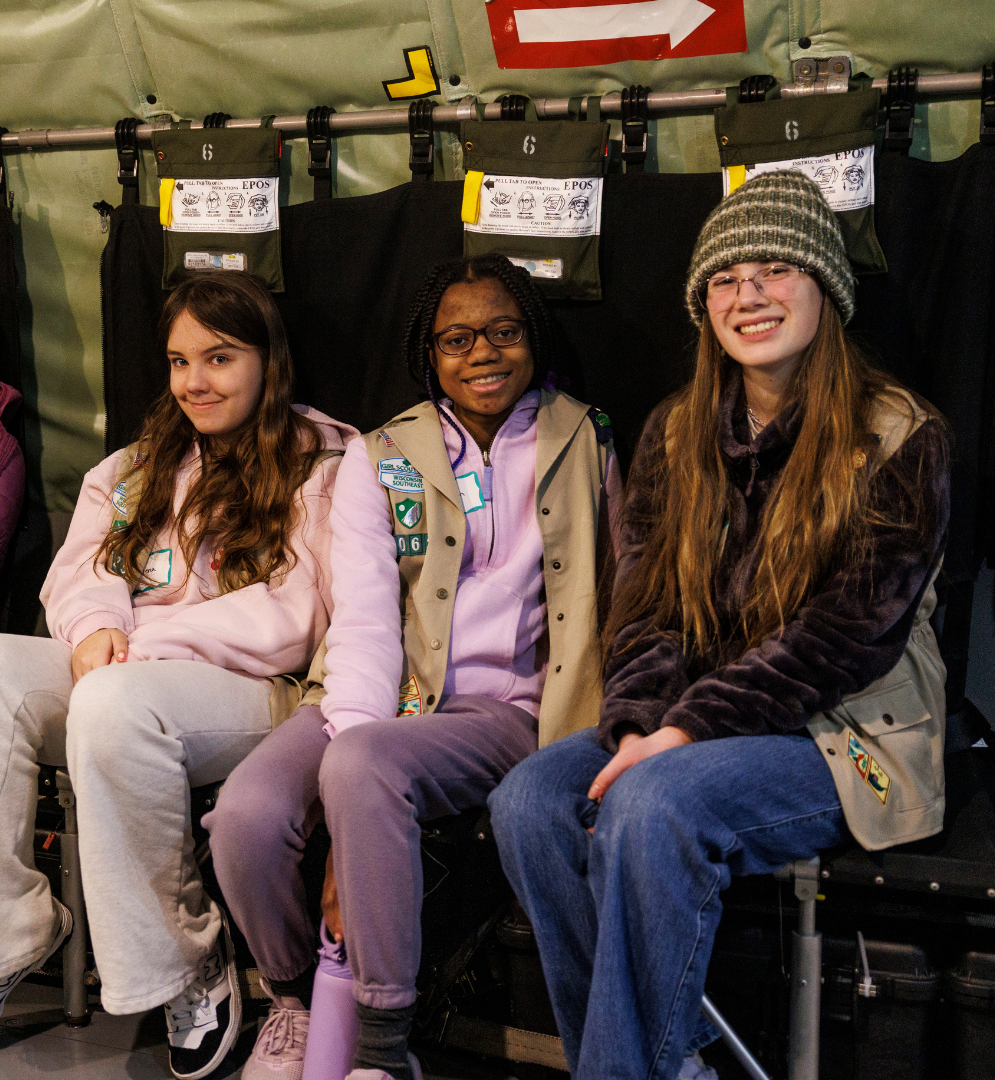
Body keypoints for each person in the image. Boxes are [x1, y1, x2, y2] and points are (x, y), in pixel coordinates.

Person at [489, 171, 950, 1080]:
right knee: (530, 803)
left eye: (776, 268)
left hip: (849, 732)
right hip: (681, 721)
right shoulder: (673, 434)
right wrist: (635, 726)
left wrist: (681, 735)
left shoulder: (901, 436)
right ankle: (651, 1067)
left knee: (657, 803)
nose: (749, 295)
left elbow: (846, 637)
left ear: (826, 287)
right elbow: (647, 610)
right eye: (726, 279)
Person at [206, 253, 620, 1080]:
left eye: (503, 331)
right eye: (457, 338)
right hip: (376, 693)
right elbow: (362, 616)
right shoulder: (382, 453)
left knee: (362, 769)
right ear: (429, 355)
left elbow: (625, 591)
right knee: (248, 816)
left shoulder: (585, 438)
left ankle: (382, 1050)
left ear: (532, 338)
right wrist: (349, 768)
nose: (484, 353)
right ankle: (295, 999)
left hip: (502, 710)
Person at [0, 272, 355, 1080]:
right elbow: (82, 568)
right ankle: (11, 925)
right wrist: (94, 629)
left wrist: (144, 644)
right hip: (125, 671)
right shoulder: (140, 464)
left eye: (220, 358)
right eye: (178, 360)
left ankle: (185, 963)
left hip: (257, 692)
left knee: (118, 705)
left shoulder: (324, 460)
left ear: (269, 360)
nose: (195, 381)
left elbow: (298, 614)